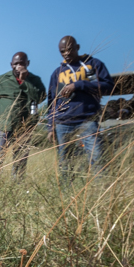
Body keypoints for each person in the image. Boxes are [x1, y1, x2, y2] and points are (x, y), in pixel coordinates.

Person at [47, 35, 112, 177]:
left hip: (87, 121)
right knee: (65, 162)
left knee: (97, 157)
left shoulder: (93, 64)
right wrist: (50, 126)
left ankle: (100, 193)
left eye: (69, 49)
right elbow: (52, 101)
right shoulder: (57, 73)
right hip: (62, 123)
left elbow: (108, 86)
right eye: (63, 51)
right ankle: (66, 195)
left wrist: (79, 85)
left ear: (77, 47)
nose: (66, 54)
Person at [0, 52, 46, 178]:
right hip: (3, 126)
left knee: (20, 162)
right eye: (16, 64)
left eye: (22, 63)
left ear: (28, 63)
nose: (19, 66)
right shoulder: (1, 80)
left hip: (24, 127)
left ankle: (17, 186)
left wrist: (24, 81)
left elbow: (40, 98)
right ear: (11, 65)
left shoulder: (35, 80)